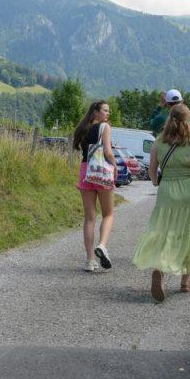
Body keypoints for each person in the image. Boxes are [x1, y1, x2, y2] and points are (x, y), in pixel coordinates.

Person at [132, 103, 190, 301]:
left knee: (163, 232)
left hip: (167, 192)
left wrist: (156, 182)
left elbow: (152, 171)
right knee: (189, 234)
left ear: (169, 118)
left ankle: (160, 269)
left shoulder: (158, 143)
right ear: (189, 120)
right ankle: (185, 282)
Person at [72, 100, 116, 272]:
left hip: (86, 171)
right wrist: (115, 166)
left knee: (90, 217)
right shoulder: (105, 128)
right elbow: (107, 152)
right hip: (102, 171)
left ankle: (90, 260)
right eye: (105, 110)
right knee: (108, 213)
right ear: (96, 112)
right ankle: (102, 246)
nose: (108, 113)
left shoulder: (82, 128)